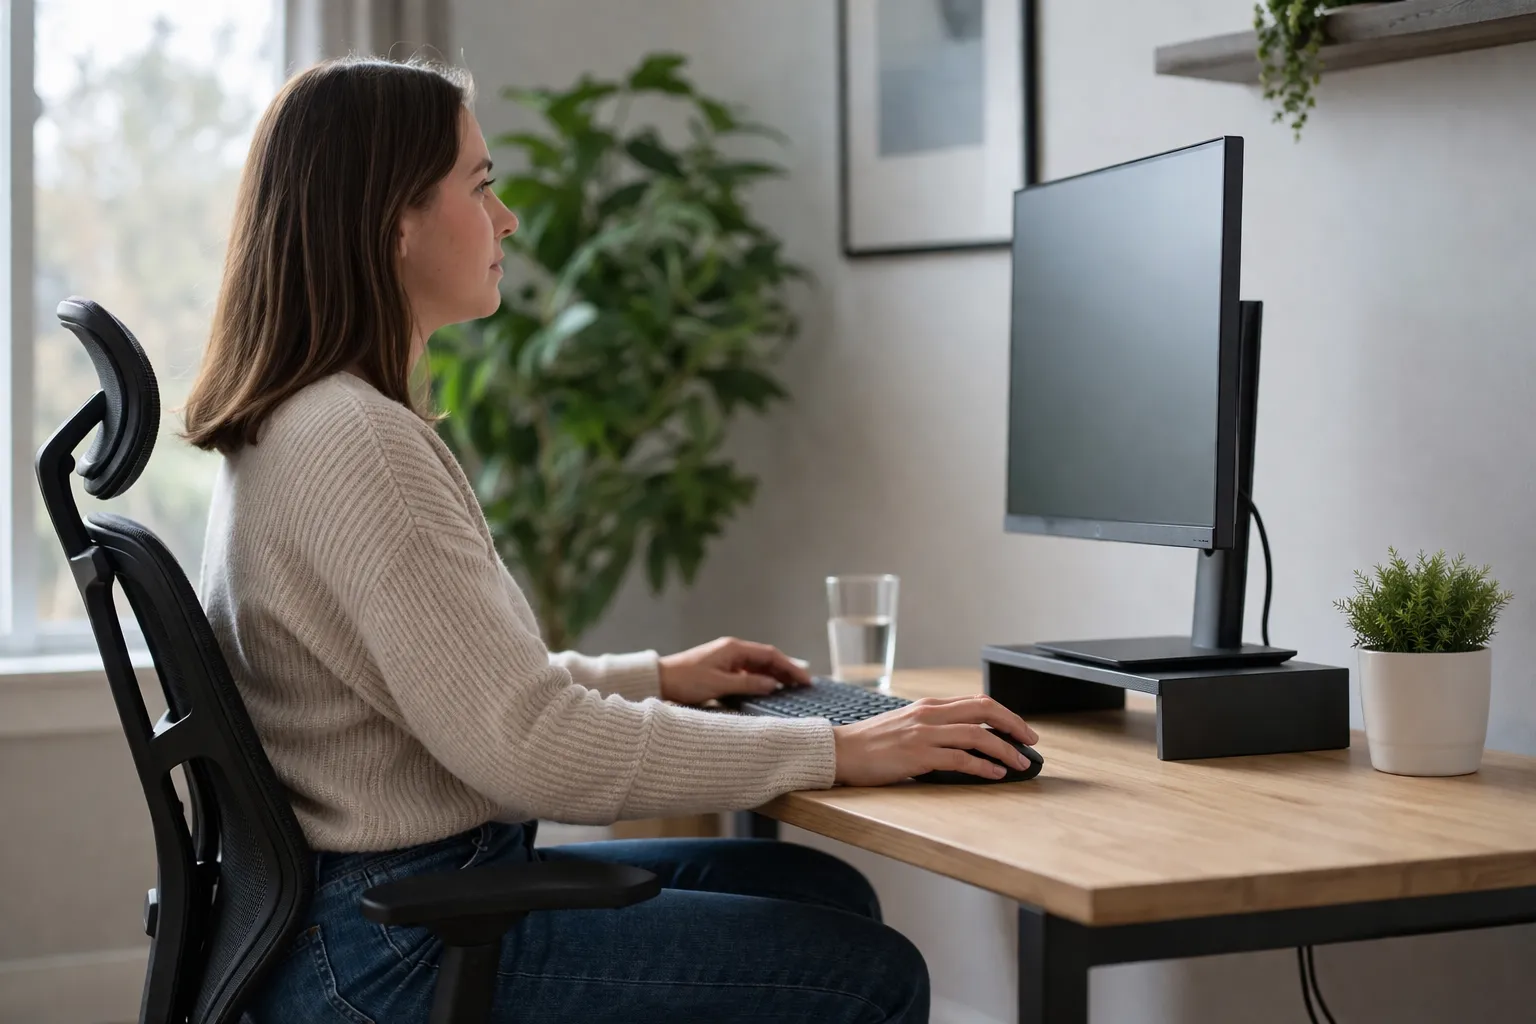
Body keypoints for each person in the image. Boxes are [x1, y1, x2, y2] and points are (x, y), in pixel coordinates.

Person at [182, 56, 1039, 1024]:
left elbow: (455, 686)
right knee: (863, 973)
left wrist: (654, 675)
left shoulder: (306, 423)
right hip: (388, 950)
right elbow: (532, 753)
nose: (507, 221)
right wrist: (838, 751)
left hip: (355, 913)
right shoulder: (357, 440)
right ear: (394, 221)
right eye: (481, 186)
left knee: (814, 895)